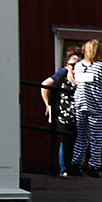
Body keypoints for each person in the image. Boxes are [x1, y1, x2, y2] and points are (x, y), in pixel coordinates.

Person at [70, 39, 102, 177]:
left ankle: (76, 164)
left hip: (80, 105)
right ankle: (94, 167)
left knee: (82, 137)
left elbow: (76, 83)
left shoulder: (78, 66)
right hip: (97, 107)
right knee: (97, 138)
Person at [39, 48, 78, 177]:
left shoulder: (82, 76)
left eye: (77, 64)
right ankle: (64, 170)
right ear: (67, 65)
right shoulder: (62, 74)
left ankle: (76, 169)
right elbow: (45, 85)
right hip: (64, 115)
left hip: (78, 116)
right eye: (72, 65)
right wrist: (48, 105)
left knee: (78, 142)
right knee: (65, 142)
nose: (75, 67)